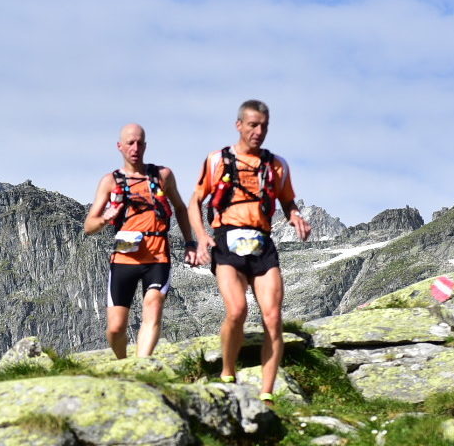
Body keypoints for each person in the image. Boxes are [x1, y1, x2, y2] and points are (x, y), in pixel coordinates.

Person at [186, 100, 311, 403]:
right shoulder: (217, 160)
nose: (259, 131)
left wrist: (294, 215)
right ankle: (228, 371)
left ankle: (267, 393)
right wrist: (201, 237)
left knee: (272, 317)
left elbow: (287, 200)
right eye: (253, 125)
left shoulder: (276, 164)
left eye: (264, 126)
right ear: (239, 125)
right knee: (237, 310)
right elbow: (195, 202)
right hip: (227, 240)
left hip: (262, 243)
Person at [83, 123, 196, 359]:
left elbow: (180, 209)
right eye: (130, 143)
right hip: (124, 256)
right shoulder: (110, 181)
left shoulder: (163, 175)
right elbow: (89, 226)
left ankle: (141, 366)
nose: (135, 148)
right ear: (120, 146)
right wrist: (105, 218)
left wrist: (189, 243)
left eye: (139, 143)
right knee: (115, 328)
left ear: (145, 145)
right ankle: (123, 363)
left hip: (157, 256)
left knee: (153, 307)